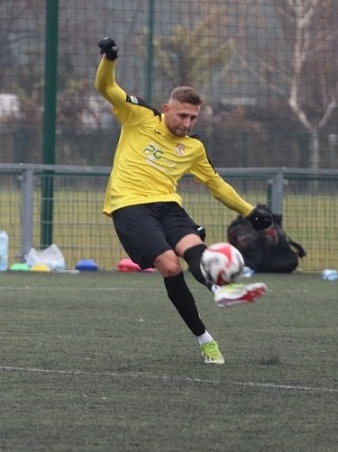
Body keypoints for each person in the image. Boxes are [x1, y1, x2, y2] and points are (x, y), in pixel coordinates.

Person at [94, 37, 272, 365]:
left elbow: (215, 183)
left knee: (195, 251)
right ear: (166, 109)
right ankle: (205, 340)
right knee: (170, 265)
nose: (187, 124)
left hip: (168, 206)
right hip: (129, 206)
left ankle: (222, 291)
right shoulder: (138, 116)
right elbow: (106, 87)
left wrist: (249, 211)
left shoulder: (193, 147)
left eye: (193, 118)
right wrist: (109, 59)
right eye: (182, 116)